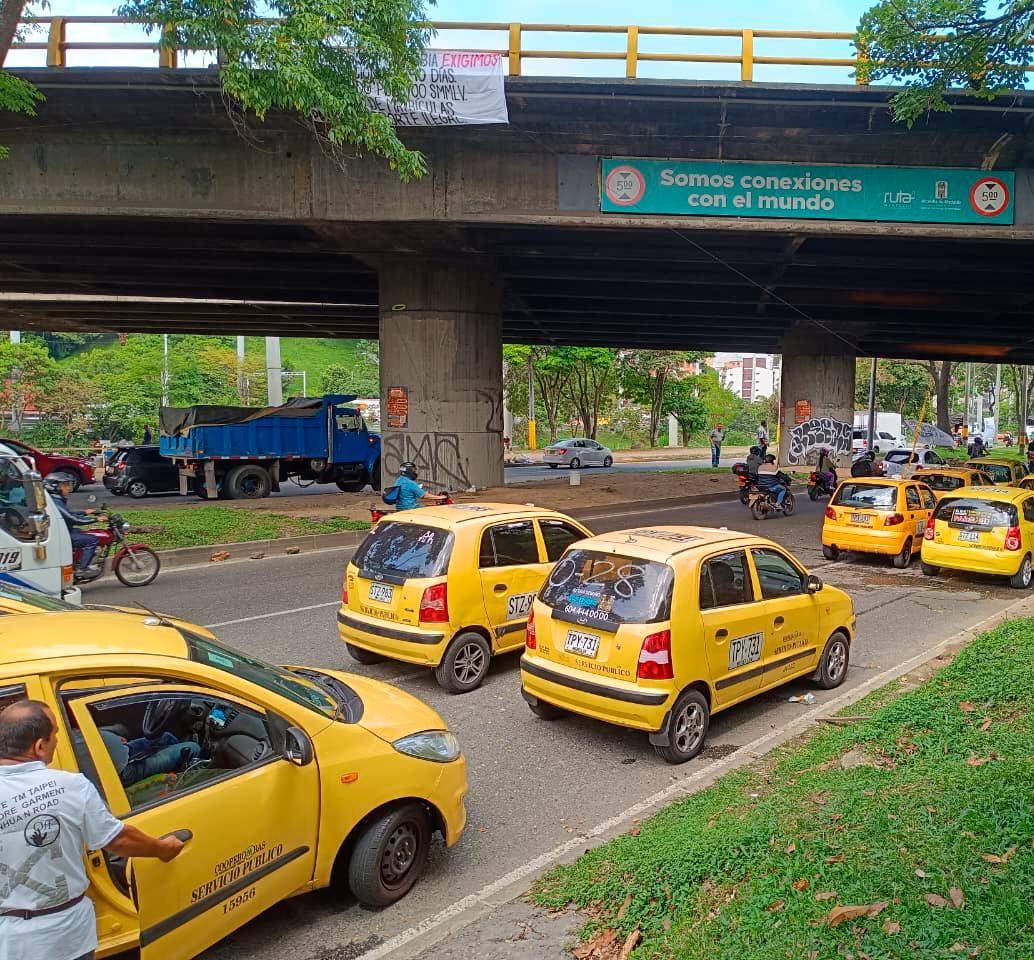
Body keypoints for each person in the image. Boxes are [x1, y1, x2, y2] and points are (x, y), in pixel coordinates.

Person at [0, 700, 183, 960]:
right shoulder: (70, 786)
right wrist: (163, 848)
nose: (57, 743)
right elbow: (118, 840)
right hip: (66, 934)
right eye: (54, 737)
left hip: (10, 941)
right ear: (39, 746)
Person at [99, 727, 201, 787]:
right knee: (193, 747)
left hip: (120, 749)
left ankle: (176, 765)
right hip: (122, 770)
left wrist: (111, 738)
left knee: (166, 737)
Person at [47, 477, 105, 573]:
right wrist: (96, 519)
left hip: (62, 530)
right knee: (92, 540)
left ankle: (77, 559)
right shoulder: (56, 502)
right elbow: (73, 519)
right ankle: (82, 568)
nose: (68, 488)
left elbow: (68, 514)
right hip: (62, 534)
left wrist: (84, 512)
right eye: (65, 486)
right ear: (55, 488)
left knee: (80, 532)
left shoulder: (56, 500)